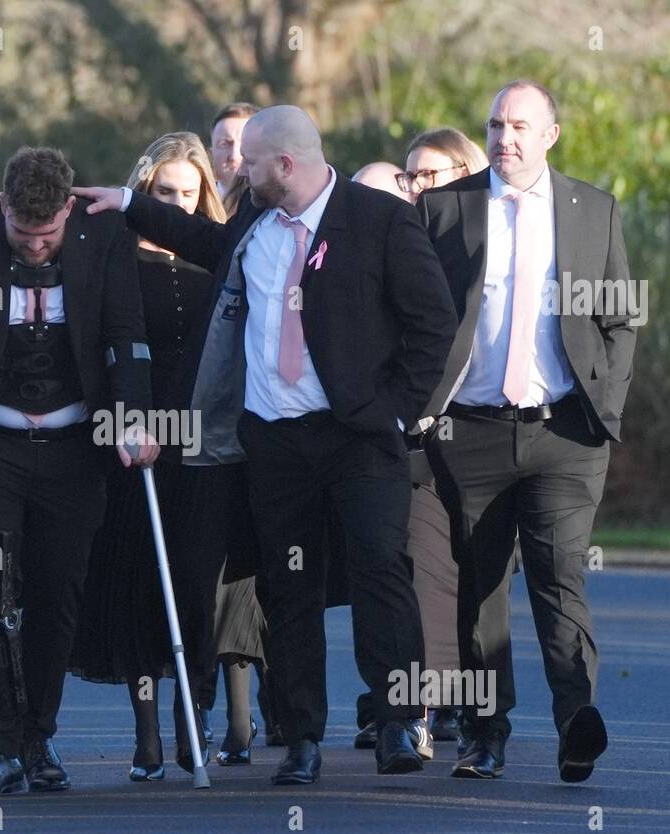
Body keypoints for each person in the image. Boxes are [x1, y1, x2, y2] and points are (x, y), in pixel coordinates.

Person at [75, 104, 459, 785]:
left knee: (378, 568)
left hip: (359, 438)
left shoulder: (378, 221)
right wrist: (131, 204)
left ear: (284, 164)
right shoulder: (254, 224)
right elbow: (199, 241)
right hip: (275, 443)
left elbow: (434, 323)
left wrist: (393, 410)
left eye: (249, 161)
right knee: (290, 586)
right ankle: (302, 735)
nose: (236, 170)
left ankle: (400, 719)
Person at [417, 82, 637, 782]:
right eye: (494, 124)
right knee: (480, 584)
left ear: (551, 134)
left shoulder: (593, 210)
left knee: (559, 573)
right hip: (471, 431)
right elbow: (416, 313)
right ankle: (486, 734)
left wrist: (607, 403)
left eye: (519, 125)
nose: (504, 137)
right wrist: (421, 409)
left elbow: (620, 319)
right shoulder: (445, 207)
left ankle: (577, 719)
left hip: (565, 431)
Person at [0, 146, 156, 798]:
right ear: (3, 209)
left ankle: (38, 737)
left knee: (57, 595)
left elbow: (126, 334)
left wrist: (133, 421)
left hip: (74, 443)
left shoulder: (103, 233)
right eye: (24, 236)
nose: (36, 248)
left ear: (66, 214)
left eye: (47, 236)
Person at [71, 132, 267, 779]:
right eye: (164, 193)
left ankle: (195, 708)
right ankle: (146, 728)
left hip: (203, 446)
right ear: (144, 191)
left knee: (192, 583)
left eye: (189, 193)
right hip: (129, 440)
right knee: (135, 582)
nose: (177, 205)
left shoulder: (224, 260)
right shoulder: (114, 259)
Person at [351, 132, 488, 750]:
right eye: (411, 177)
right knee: (409, 570)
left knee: (466, 578)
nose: (418, 188)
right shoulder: (389, 237)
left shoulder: (470, 241)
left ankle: (458, 704)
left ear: (467, 172)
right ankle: (412, 708)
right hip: (404, 438)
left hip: (472, 433)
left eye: (430, 176)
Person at [210, 102, 258, 199]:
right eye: (224, 144)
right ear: (211, 153)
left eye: (245, 143)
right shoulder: (194, 206)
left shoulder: (277, 210)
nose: (234, 156)